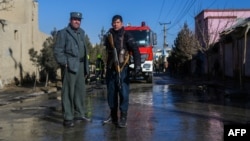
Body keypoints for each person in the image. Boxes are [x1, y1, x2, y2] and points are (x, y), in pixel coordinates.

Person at [102, 15, 141, 128]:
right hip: (111, 69)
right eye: (114, 22)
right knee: (111, 93)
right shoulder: (108, 35)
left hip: (123, 69)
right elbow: (107, 50)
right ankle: (113, 116)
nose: (115, 24)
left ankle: (123, 117)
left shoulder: (127, 35)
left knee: (123, 93)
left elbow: (135, 50)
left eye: (118, 22)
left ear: (122, 23)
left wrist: (137, 66)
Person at [53, 12, 91, 127]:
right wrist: (64, 63)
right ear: (70, 20)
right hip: (70, 65)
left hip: (80, 65)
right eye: (75, 19)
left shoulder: (82, 32)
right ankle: (68, 117)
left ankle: (79, 114)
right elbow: (58, 51)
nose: (77, 21)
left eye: (79, 20)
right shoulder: (63, 33)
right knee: (68, 92)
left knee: (80, 91)